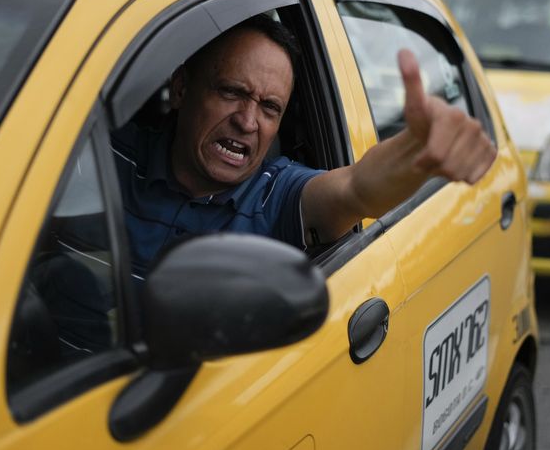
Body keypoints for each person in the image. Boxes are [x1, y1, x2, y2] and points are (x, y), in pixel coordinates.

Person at [111, 15, 496, 277]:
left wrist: (417, 150)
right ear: (181, 89)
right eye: (231, 92)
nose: (247, 121)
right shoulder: (108, 158)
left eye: (269, 107)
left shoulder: (275, 196)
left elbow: (355, 188)